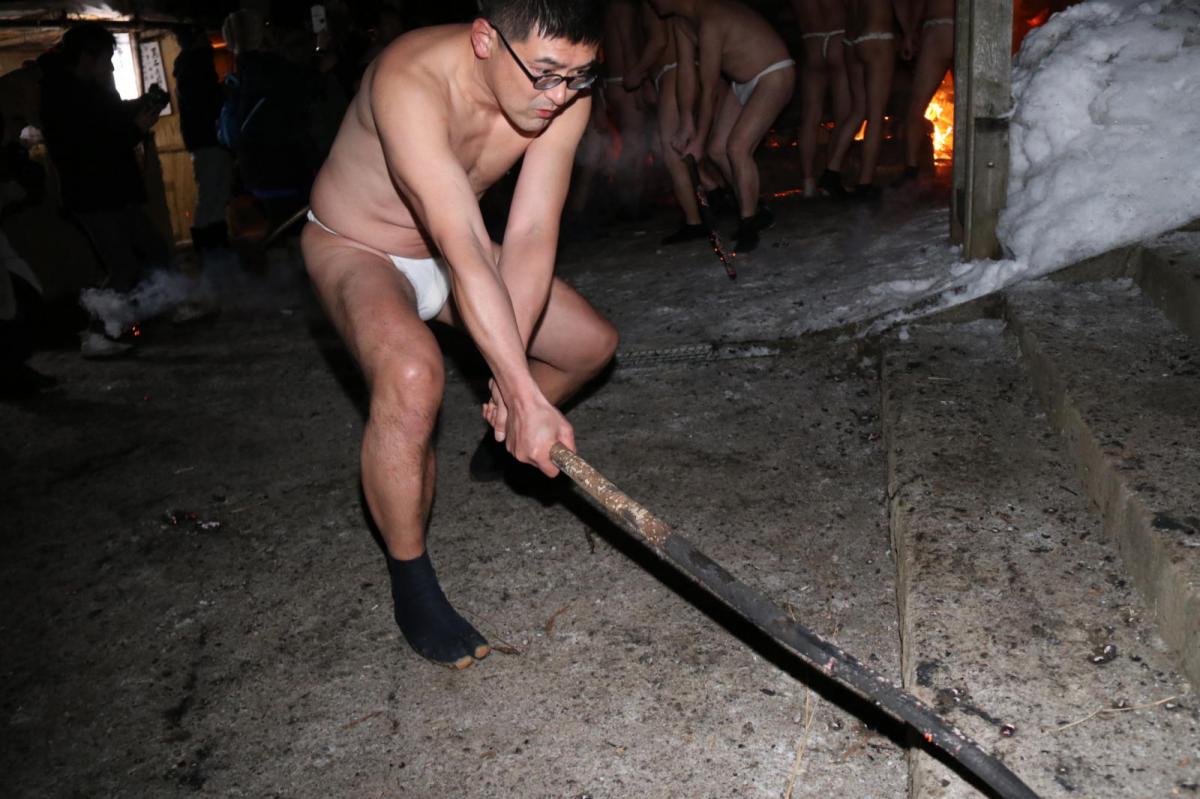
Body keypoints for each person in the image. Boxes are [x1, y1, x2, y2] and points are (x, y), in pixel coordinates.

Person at [301, 0, 618, 669]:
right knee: (414, 377)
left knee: (590, 344)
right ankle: (412, 578)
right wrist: (515, 383)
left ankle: (501, 438)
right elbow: (465, 244)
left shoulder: (565, 97)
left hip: (451, 251)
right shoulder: (408, 78)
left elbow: (530, 237)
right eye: (546, 73)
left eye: (581, 77)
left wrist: (519, 389)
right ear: (484, 39)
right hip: (360, 247)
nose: (561, 95)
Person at [38, 22, 170, 355]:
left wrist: (143, 103)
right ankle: (96, 334)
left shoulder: (89, 89)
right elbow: (89, 149)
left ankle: (142, 318)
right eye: (106, 59)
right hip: (92, 195)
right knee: (122, 266)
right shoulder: (60, 95)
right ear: (86, 57)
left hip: (115, 190)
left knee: (153, 252)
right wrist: (136, 129)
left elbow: (111, 118)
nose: (110, 67)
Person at [652, 0, 795, 252]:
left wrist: (698, 140)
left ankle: (748, 223)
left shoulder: (710, 20)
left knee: (738, 148)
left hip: (774, 73)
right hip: (742, 82)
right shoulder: (681, 23)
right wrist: (686, 121)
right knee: (718, 149)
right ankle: (755, 208)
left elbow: (708, 89)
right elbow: (686, 73)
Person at [818, 0, 900, 201]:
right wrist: (909, 31)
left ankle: (831, 173)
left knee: (858, 110)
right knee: (875, 116)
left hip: (851, 40)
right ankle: (865, 184)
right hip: (877, 35)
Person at [173, 25, 232, 251]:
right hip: (207, 139)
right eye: (203, 37)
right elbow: (205, 103)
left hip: (205, 139)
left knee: (215, 193)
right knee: (211, 194)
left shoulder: (191, 65)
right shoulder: (193, 65)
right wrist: (222, 93)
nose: (208, 42)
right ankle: (210, 248)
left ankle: (214, 246)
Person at [791, 0, 852, 199]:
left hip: (812, 42)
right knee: (843, 116)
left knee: (810, 117)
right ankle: (831, 175)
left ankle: (808, 181)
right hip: (837, 38)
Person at [893, 0, 952, 187]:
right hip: (965, 27)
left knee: (917, 105)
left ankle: (911, 169)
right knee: (968, 105)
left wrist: (909, 32)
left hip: (939, 26)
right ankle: (968, 164)